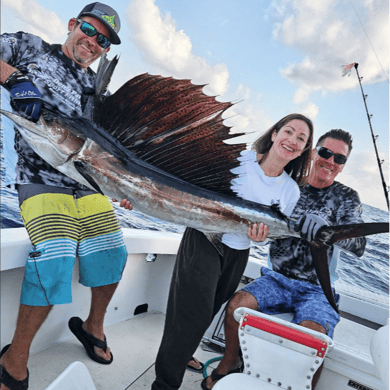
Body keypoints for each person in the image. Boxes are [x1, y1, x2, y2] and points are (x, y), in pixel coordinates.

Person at [0, 3, 127, 390]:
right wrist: (15, 79)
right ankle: (13, 361)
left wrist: (121, 186)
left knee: (114, 253)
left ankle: (92, 326)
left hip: (87, 183)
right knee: (54, 260)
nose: (92, 41)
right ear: (72, 25)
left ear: (105, 50)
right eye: (88, 29)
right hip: (41, 180)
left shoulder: (96, 92)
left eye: (102, 40)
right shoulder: (31, 47)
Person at [149, 113, 315, 390]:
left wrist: (259, 238)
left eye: (301, 138)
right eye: (288, 131)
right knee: (192, 314)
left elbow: (269, 233)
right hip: (203, 237)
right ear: (274, 134)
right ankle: (164, 385)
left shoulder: (290, 191)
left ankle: (181, 353)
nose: (292, 141)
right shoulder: (240, 160)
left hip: (238, 252)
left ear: (304, 149)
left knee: (210, 309)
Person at [203, 129, 366, 389]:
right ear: (313, 153)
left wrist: (328, 231)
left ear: (343, 166)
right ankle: (229, 364)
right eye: (325, 153)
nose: (330, 161)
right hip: (277, 280)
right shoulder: (288, 185)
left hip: (317, 290)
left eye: (339, 158)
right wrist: (258, 236)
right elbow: (265, 227)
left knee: (313, 336)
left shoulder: (347, 198)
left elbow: (358, 246)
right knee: (236, 306)